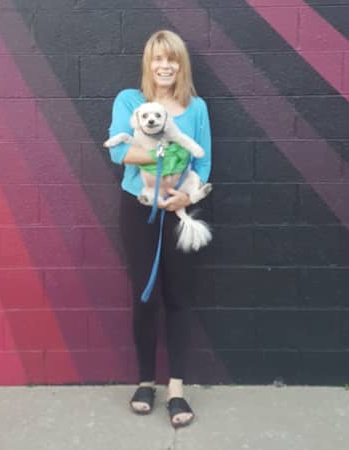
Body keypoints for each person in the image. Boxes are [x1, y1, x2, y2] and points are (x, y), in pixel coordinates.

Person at [107, 29, 211, 428]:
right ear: (148, 63)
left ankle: (176, 388)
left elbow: (203, 162)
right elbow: (119, 151)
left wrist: (186, 196)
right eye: (158, 58)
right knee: (144, 296)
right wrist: (165, 154)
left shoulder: (196, 108)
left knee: (179, 296)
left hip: (180, 206)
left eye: (172, 59)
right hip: (139, 210)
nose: (165, 66)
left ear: (181, 65)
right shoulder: (130, 101)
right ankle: (145, 381)